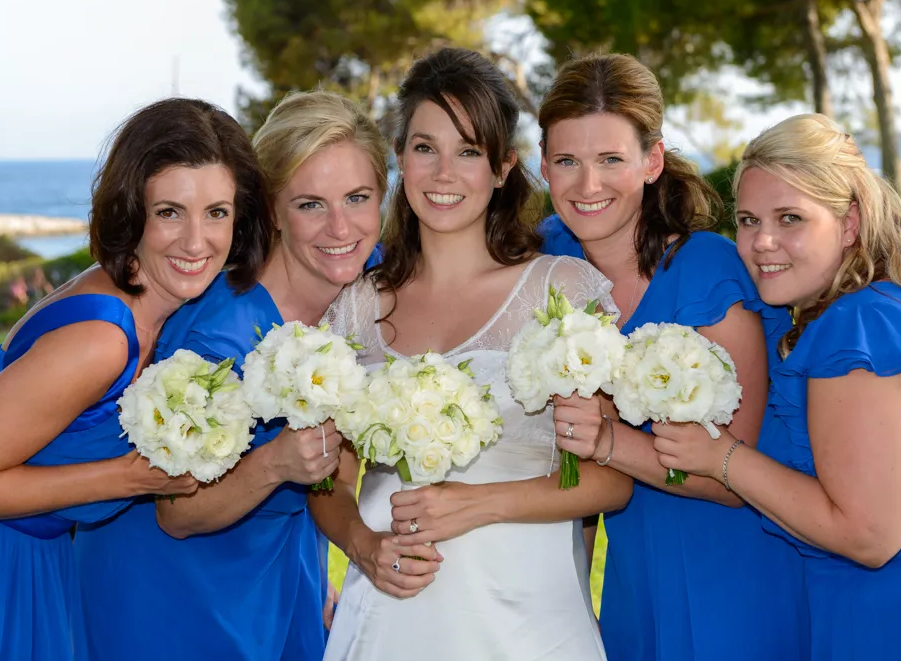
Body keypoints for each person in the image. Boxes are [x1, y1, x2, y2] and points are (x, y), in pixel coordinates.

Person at [655, 113, 901, 660]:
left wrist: (723, 456)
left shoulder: (860, 328)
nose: (760, 242)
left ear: (849, 223)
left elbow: (868, 536)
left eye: (790, 218)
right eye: (747, 220)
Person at [0, 98, 272, 660]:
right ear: (131, 211)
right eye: (170, 212)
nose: (197, 242)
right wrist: (129, 477)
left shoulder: (154, 307)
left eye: (216, 212)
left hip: (24, 557)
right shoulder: (102, 339)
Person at [313, 47, 632, 661]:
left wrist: (478, 505)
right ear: (400, 157)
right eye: (425, 148)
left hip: (527, 624)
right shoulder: (355, 307)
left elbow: (612, 480)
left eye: (468, 151)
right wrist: (361, 544)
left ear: (503, 167)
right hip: (389, 618)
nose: (443, 173)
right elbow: (331, 476)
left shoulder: (560, 293)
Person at [75, 90, 388, 661]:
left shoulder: (362, 292)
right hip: (179, 593)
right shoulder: (221, 337)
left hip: (275, 570)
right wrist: (275, 463)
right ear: (270, 210)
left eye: (358, 197)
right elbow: (176, 513)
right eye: (310, 204)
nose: (341, 226)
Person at [538, 53, 808, 660]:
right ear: (543, 164)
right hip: (636, 570)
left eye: (611, 159)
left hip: (734, 566)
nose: (588, 186)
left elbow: (737, 477)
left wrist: (606, 440)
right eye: (567, 162)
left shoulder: (706, 272)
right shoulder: (547, 261)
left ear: (652, 161)